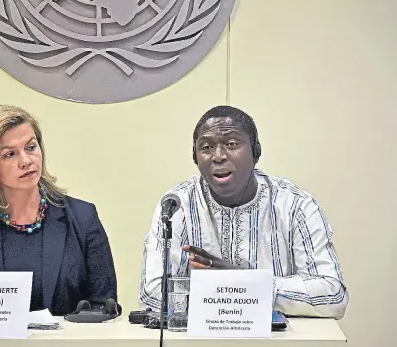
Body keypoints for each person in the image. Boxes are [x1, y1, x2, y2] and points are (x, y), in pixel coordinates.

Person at [139, 105, 348, 319]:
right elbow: (153, 293)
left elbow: (332, 296)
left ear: (255, 152)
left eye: (231, 144)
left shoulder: (296, 206)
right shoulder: (177, 205)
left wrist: (242, 280)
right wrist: (243, 290)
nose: (218, 156)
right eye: (206, 147)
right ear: (196, 158)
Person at [0, 104, 120, 316]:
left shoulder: (83, 218)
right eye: (10, 154)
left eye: (31, 147)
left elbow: (105, 308)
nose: (26, 161)